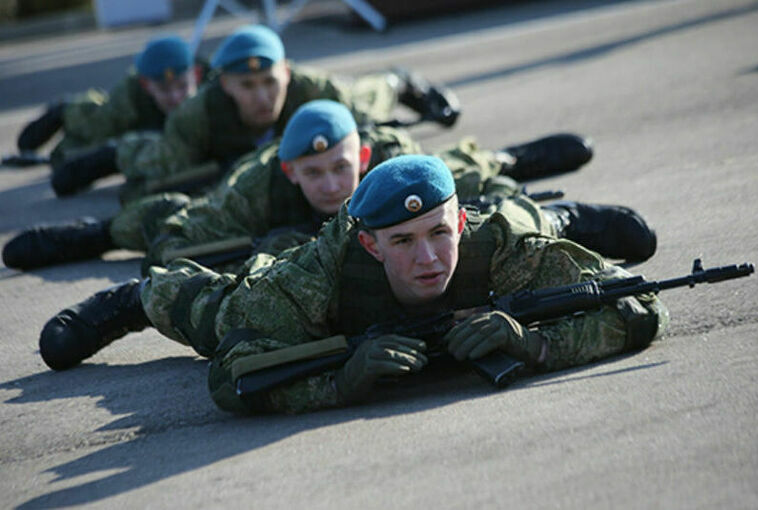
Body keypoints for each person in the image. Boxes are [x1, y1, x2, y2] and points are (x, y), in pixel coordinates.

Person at [37, 155, 668, 415]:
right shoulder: (313, 276)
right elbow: (233, 378)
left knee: (529, 218)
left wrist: (538, 347)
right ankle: (129, 298)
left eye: (440, 234)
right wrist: (340, 383)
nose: (428, 258)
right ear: (371, 243)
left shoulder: (493, 243)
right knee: (212, 306)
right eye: (402, 241)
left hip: (505, 221)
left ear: (462, 222)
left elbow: (640, 304)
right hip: (278, 276)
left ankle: (569, 214)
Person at [3, 101, 651, 271]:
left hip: (399, 193)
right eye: (311, 173)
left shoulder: (386, 157)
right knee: (167, 222)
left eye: (341, 167)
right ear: (288, 171)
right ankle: (89, 233)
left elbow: (452, 185)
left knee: (464, 175)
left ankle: (521, 156)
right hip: (260, 224)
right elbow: (180, 242)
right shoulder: (256, 186)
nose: (330, 181)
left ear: (361, 154)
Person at [48, 24, 468, 198]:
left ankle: (401, 78)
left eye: (270, 82)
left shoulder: (311, 88)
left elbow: (361, 107)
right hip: (197, 147)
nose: (263, 97)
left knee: (364, 102)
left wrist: (398, 86)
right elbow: (167, 159)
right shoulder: (199, 112)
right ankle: (107, 154)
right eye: (247, 86)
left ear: (285, 72)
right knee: (162, 164)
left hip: (336, 100)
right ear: (224, 84)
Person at [16, 35, 198, 171]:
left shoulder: (214, 90)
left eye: (182, 87)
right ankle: (65, 109)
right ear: (146, 85)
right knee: (91, 130)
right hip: (124, 116)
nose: (175, 97)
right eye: (164, 90)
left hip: (155, 126)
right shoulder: (129, 98)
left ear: (196, 76)